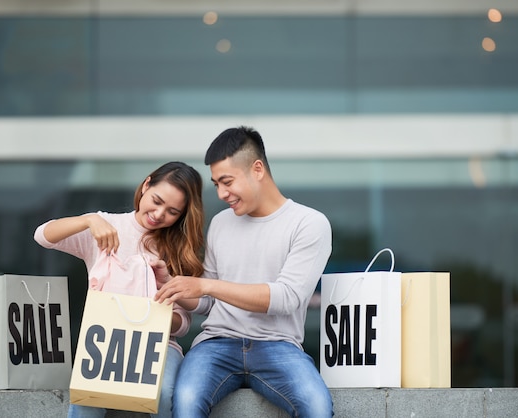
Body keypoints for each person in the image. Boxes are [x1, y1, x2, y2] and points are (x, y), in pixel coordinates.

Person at [153, 127, 334, 417]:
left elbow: (285, 298)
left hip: (278, 345)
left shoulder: (309, 224)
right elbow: (207, 302)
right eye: (216, 184)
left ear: (257, 169)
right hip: (216, 344)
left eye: (227, 182)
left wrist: (207, 287)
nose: (222, 194)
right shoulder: (222, 223)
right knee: (185, 402)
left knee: (317, 406)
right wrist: (175, 286)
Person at [33, 161, 205, 418]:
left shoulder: (178, 247)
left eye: (172, 211)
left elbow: (182, 325)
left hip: (158, 345)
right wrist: (90, 220)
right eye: (156, 201)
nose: (158, 214)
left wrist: (155, 311)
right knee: (85, 400)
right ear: (146, 185)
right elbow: (43, 235)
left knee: (165, 393)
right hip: (106, 341)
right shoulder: (106, 227)